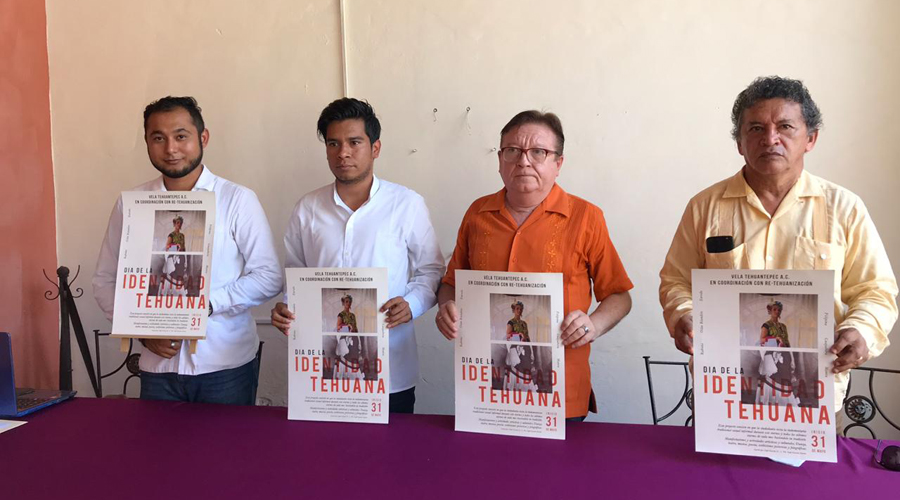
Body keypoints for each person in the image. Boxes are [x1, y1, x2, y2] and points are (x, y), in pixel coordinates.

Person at [659, 76, 899, 412]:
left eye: (785, 127)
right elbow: (676, 280)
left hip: (814, 397)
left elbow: (875, 290)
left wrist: (861, 330)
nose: (770, 139)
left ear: (810, 138)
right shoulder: (705, 208)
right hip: (724, 393)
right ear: (739, 142)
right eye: (756, 128)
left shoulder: (844, 208)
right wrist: (683, 314)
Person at [435, 110, 634, 421]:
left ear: (558, 163)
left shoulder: (586, 217)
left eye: (538, 152)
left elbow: (619, 296)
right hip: (486, 388)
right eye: (512, 151)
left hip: (561, 391)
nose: (523, 161)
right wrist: (446, 308)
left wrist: (593, 325)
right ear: (500, 160)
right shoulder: (477, 214)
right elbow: (451, 284)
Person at [93, 96, 283, 405]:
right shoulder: (131, 204)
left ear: (203, 138)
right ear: (146, 142)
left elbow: (269, 276)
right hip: (157, 368)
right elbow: (104, 281)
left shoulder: (236, 199)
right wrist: (142, 332)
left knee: (227, 440)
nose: (171, 149)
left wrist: (204, 305)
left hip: (224, 367)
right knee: (158, 440)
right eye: (158, 138)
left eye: (181, 136)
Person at [270, 98, 444, 414]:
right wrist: (287, 306)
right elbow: (295, 274)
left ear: (375, 148)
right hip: (322, 365)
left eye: (354, 142)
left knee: (391, 446)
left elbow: (431, 270)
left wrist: (412, 304)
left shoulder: (406, 204)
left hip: (389, 367)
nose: (343, 153)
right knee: (324, 446)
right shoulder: (307, 208)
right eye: (333, 143)